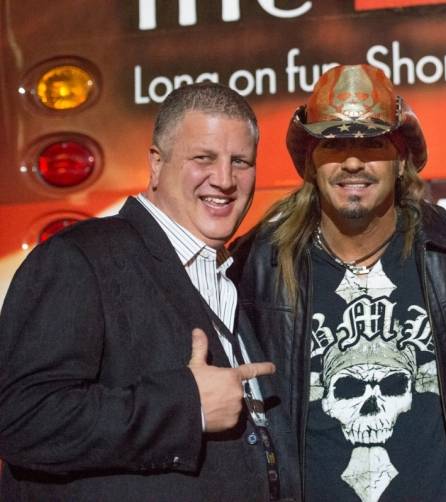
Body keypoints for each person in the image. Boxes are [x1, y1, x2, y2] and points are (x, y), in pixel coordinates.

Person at [0, 83, 299, 501]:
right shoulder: (80, 257)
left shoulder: (229, 274)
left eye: (241, 162)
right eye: (204, 158)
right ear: (156, 164)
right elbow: (24, 419)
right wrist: (186, 407)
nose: (225, 179)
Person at [232, 64, 446, 501]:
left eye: (371, 143)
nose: (351, 161)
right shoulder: (257, 264)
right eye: (334, 144)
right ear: (310, 161)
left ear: (402, 159)